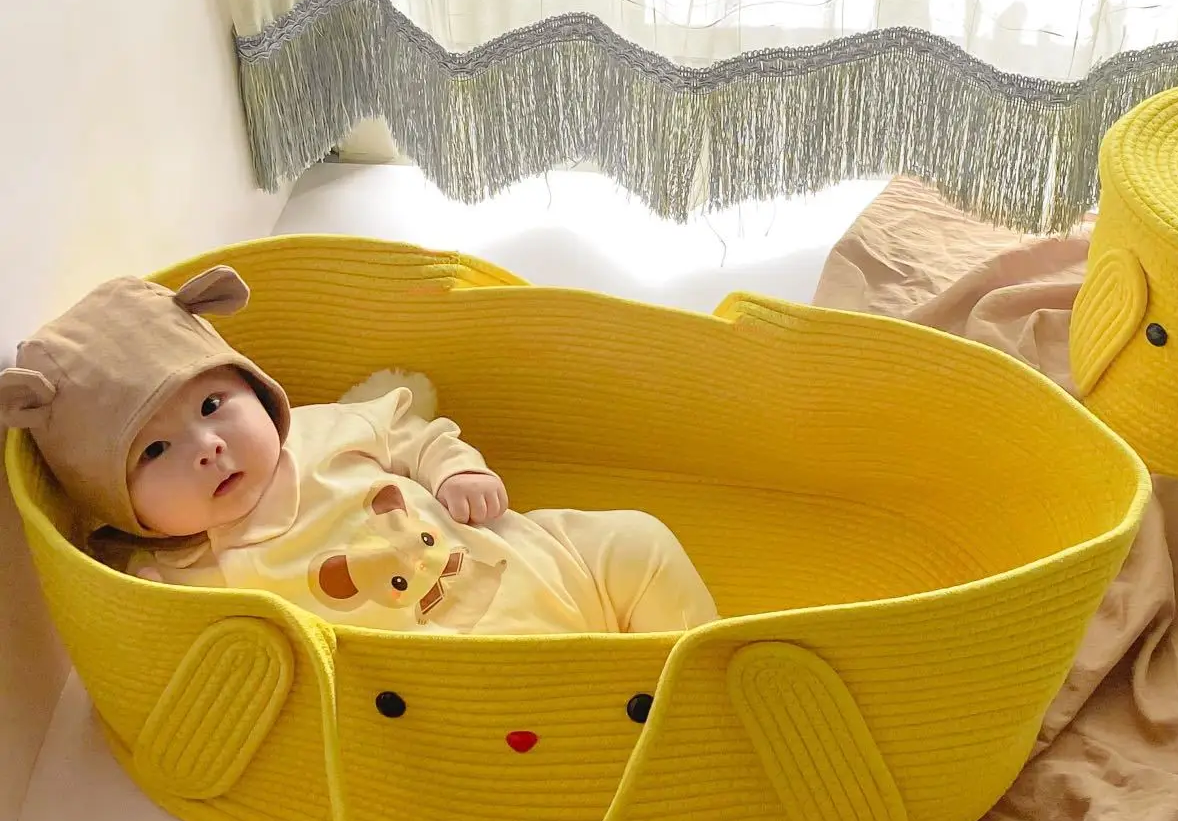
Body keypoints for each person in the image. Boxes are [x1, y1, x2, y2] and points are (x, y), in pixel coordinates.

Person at [0, 267, 719, 635]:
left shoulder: (326, 429)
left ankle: (700, 674)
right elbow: (137, 625)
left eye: (213, 405)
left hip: (532, 560)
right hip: (459, 669)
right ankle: (634, 711)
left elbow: (414, 431)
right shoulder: (178, 575)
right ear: (115, 499)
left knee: (638, 542)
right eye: (155, 450)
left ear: (253, 387)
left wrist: (456, 469)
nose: (208, 447)